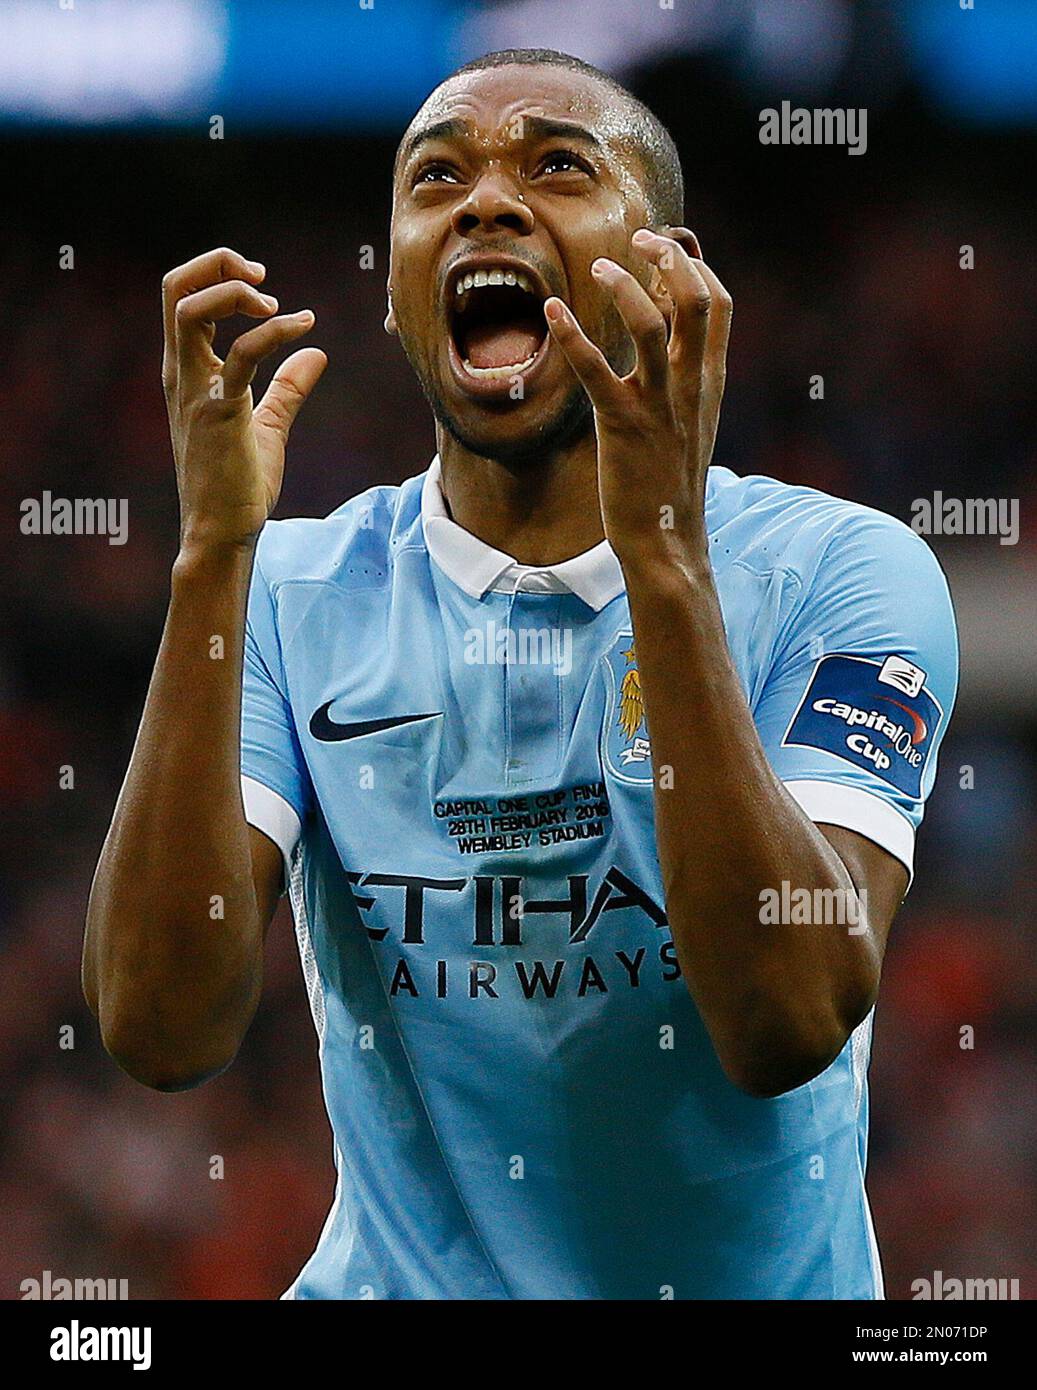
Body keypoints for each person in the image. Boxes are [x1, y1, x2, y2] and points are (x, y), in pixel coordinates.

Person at [83, 49, 958, 1299]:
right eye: (435, 177)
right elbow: (161, 1032)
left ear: (670, 273)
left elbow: (783, 1017)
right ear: (392, 292)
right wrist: (209, 556)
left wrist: (660, 566)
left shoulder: (842, 572)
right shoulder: (286, 589)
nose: (483, 203)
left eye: (555, 163)